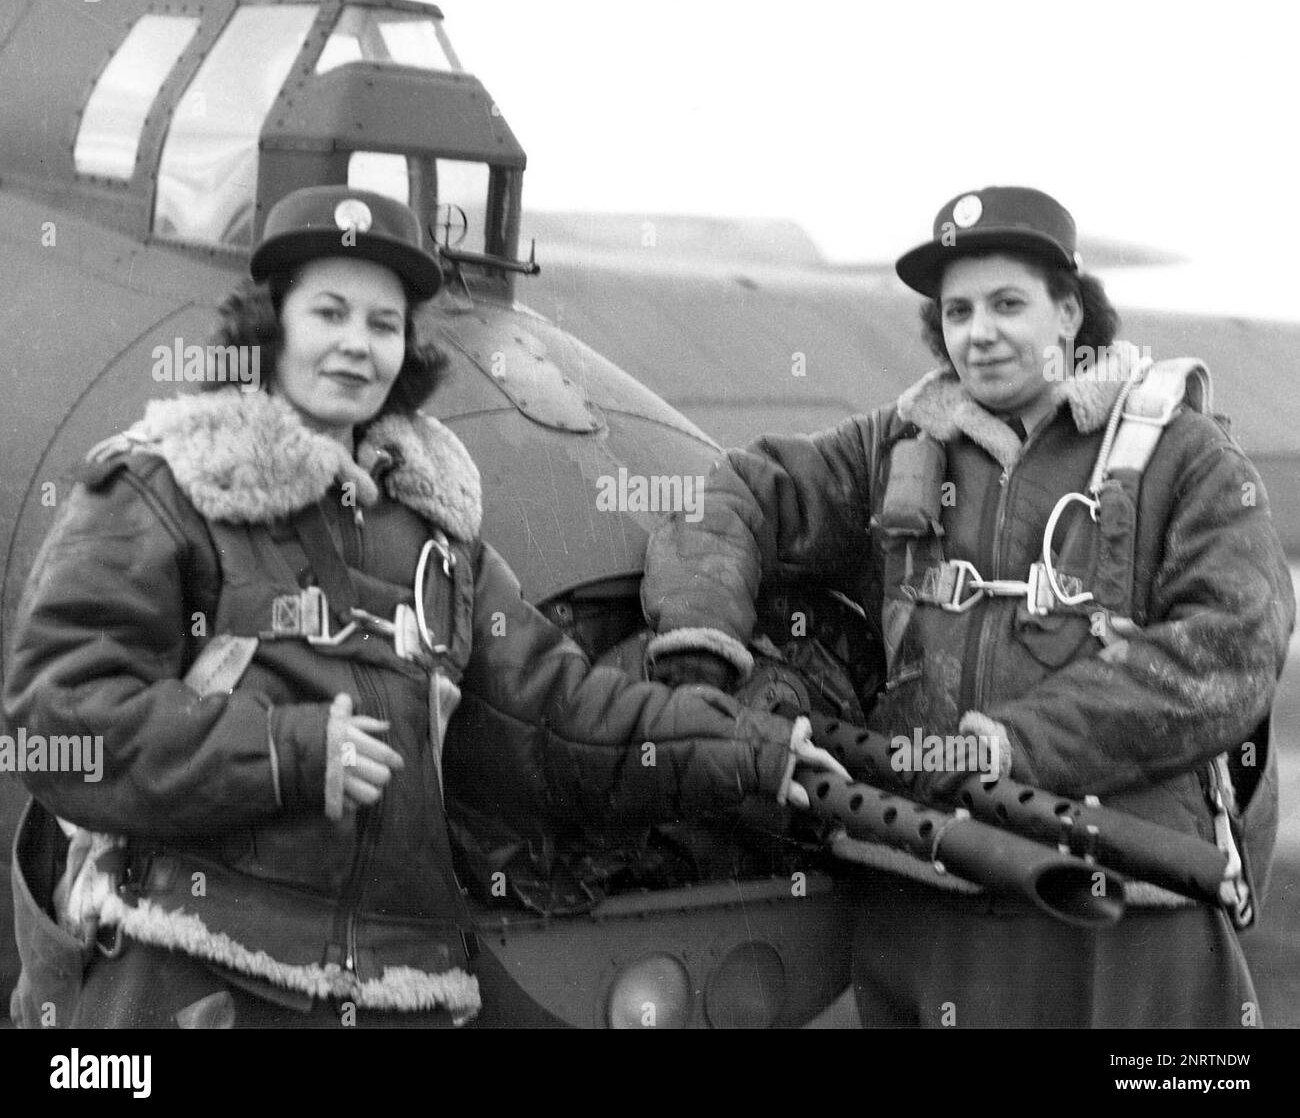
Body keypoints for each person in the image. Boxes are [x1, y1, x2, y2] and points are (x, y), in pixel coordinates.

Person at [4, 185, 841, 1029]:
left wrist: (750, 748)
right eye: (328, 312)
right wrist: (285, 754)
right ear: (272, 324)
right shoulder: (162, 490)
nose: (355, 346)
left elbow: (558, 717)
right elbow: (57, 725)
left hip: (400, 988)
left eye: (383, 323)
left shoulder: (438, 541)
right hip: (199, 979)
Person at [642, 185, 1295, 1027]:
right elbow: (736, 494)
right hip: (923, 888)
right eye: (957, 310)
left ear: (1069, 314)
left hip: (1130, 904)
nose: (978, 331)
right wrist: (701, 649)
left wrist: (1022, 743)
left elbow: (1232, 647)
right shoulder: (894, 445)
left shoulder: (1185, 456)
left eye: (1007, 304)